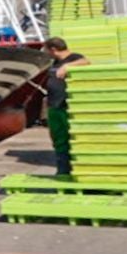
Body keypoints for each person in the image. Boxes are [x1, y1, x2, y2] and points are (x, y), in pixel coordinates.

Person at [42, 38, 87, 177]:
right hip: (53, 105)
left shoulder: (74, 57)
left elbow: (86, 61)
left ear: (54, 49)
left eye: (47, 50)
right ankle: (63, 170)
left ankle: (78, 169)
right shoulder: (54, 62)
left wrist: (67, 66)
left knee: (72, 137)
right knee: (57, 138)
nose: (46, 53)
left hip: (67, 105)